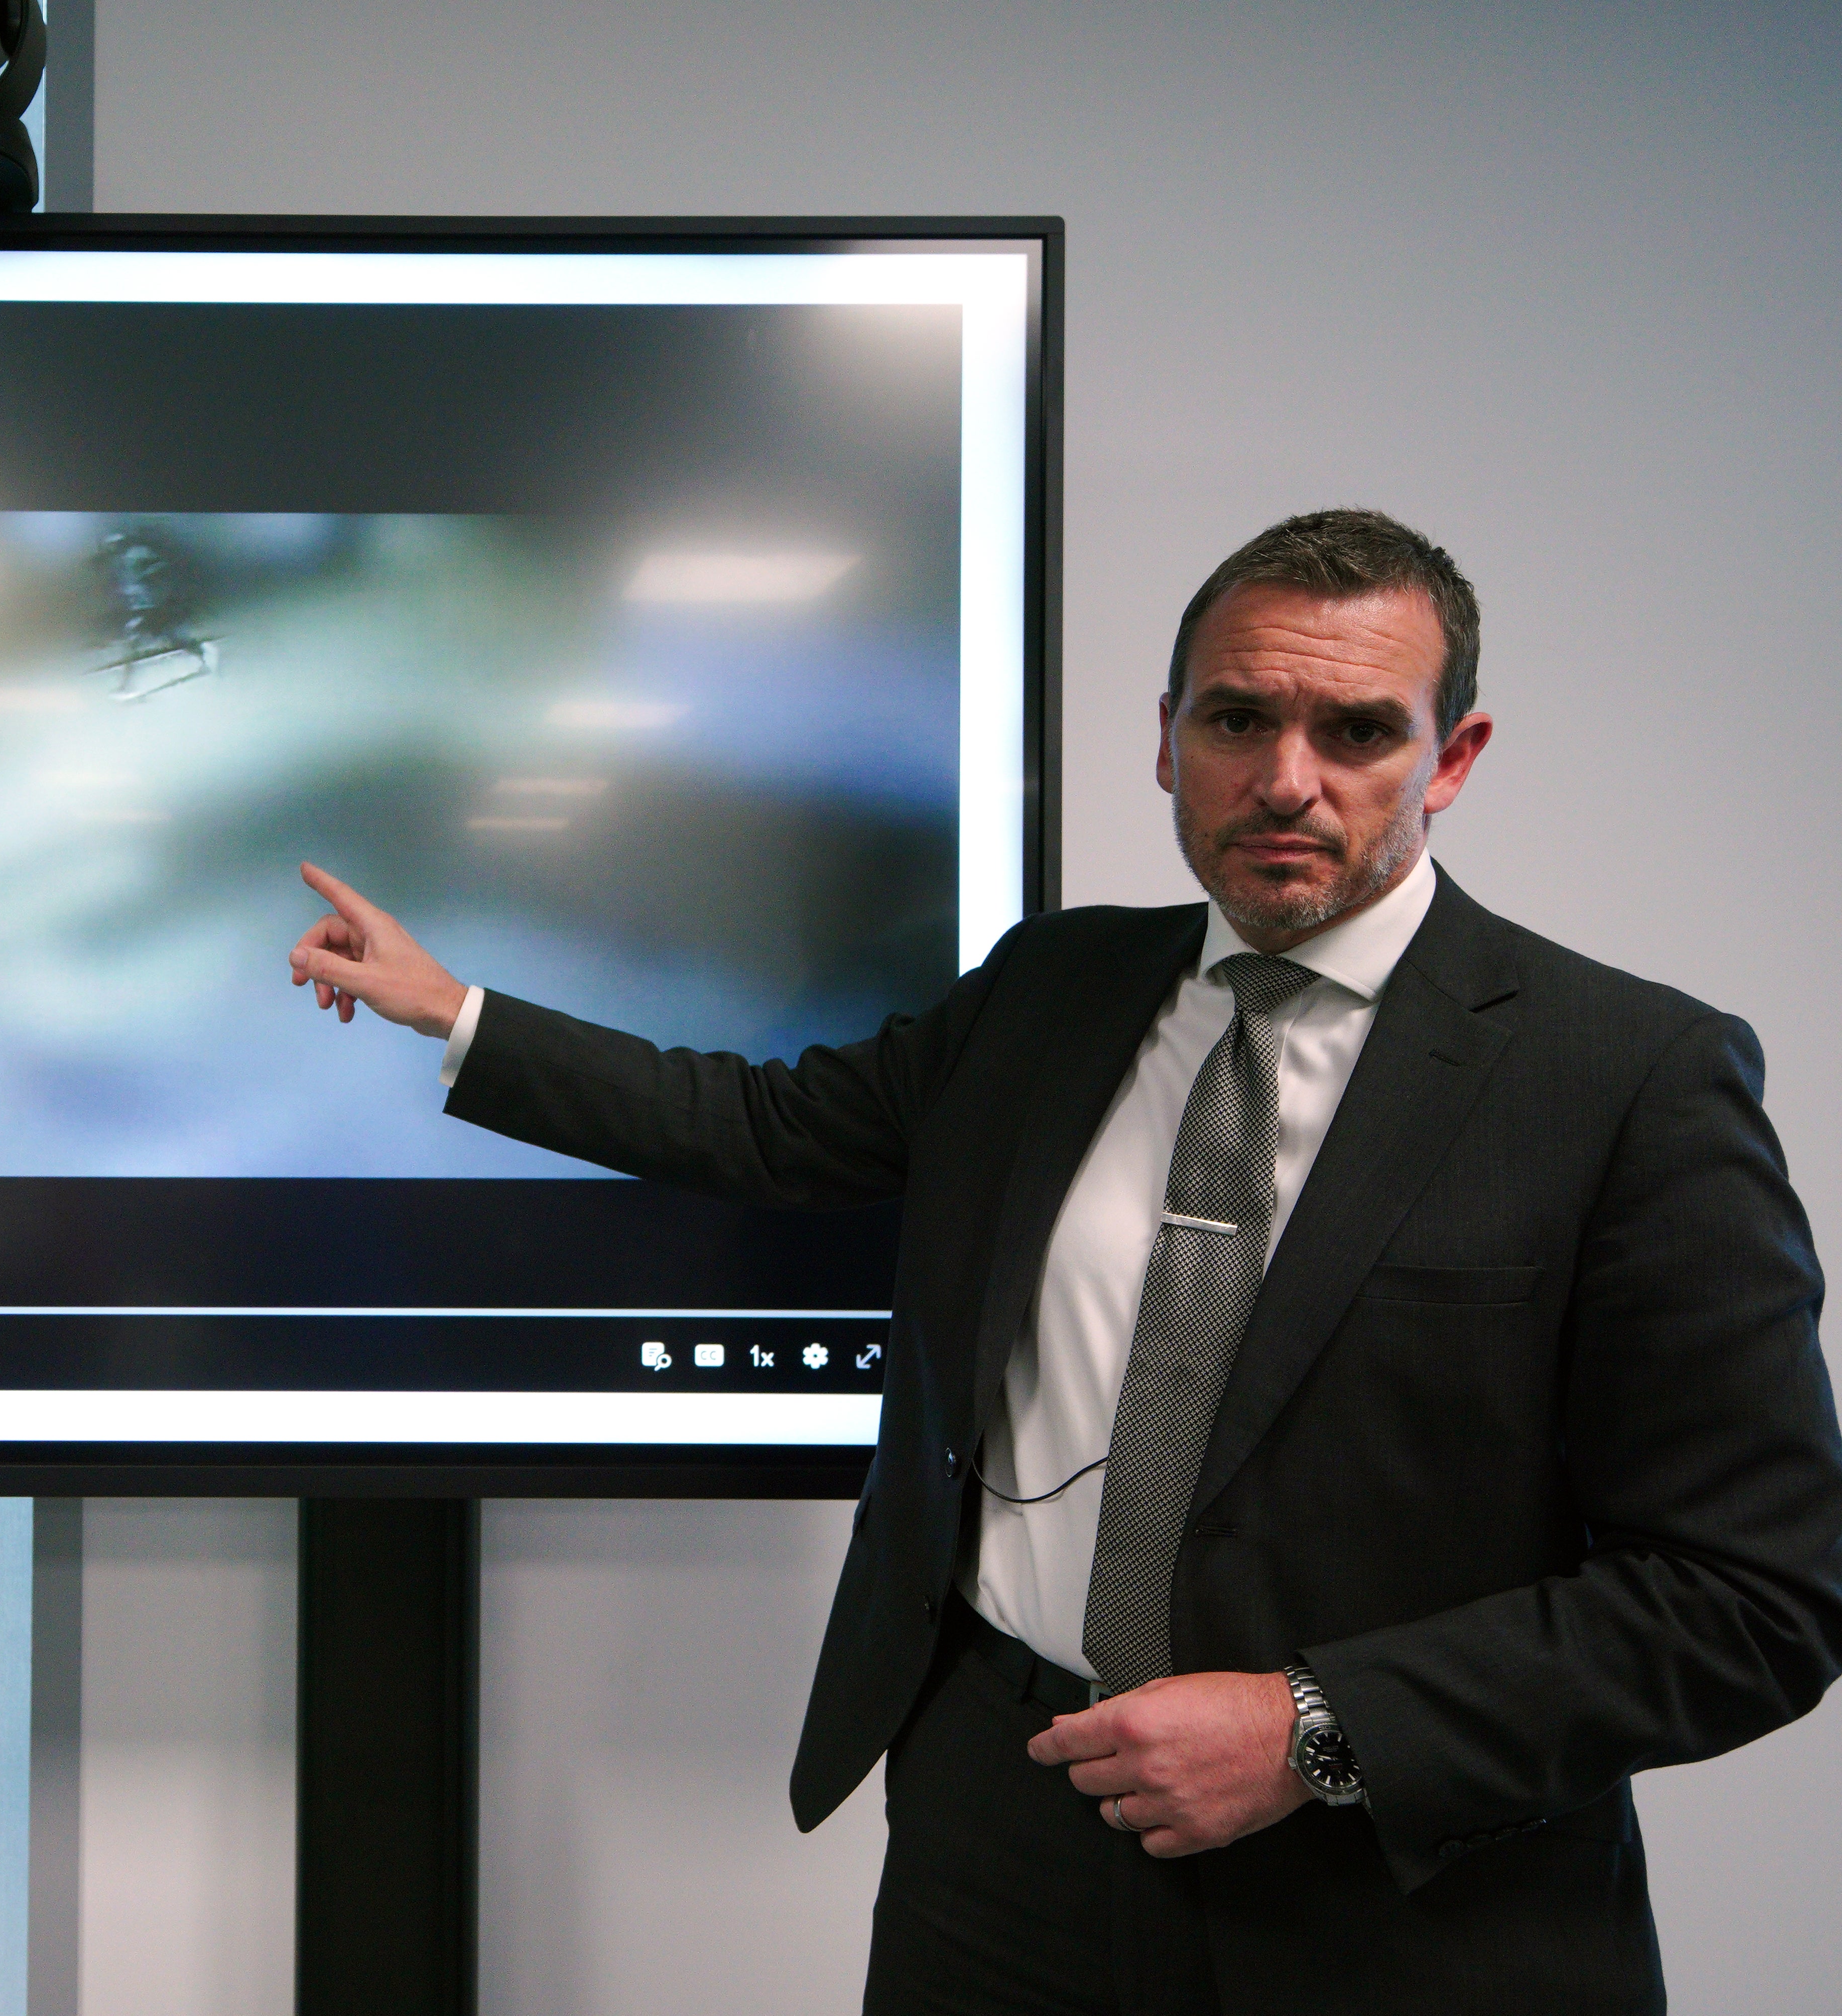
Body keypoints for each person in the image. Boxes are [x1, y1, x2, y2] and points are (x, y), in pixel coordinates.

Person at [285, 509, 1842, 2012]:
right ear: (1166, 738)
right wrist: (460, 1012)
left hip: (1386, 1893)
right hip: (1003, 1829)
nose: (1287, 781)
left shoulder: (1628, 1077)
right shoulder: (1055, 987)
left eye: (1358, 732)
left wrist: (1316, 1731)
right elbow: (764, 1126)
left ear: (1454, 757)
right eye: (1238, 721)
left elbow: (1754, 1597)